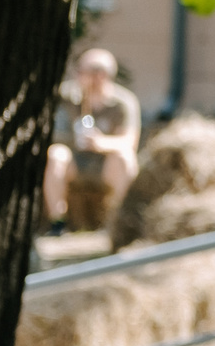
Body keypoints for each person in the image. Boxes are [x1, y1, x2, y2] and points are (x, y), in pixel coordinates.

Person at [44, 47, 142, 234]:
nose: (78, 76)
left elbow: (130, 142)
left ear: (101, 75)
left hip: (104, 164)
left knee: (124, 157)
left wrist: (100, 143)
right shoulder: (70, 96)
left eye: (82, 71)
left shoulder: (122, 103)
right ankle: (57, 223)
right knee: (56, 154)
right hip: (76, 161)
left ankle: (119, 224)